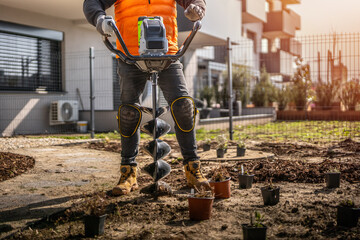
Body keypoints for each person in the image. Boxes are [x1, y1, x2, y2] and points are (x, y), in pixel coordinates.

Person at [83, 0, 210, 196]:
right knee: (128, 113)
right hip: (130, 54)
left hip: (168, 54)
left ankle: (193, 169)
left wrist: (197, 8)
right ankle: (128, 173)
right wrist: (99, 19)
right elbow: (92, 2)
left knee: (184, 107)